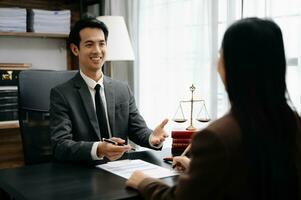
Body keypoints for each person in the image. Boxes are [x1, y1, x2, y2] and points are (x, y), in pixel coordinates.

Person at [126, 17, 301, 200]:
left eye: (221, 54)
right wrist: (199, 169)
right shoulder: (293, 122)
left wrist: (144, 181)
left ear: (233, 65)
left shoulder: (215, 137)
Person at [50, 17, 168, 162]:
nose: (97, 50)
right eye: (89, 44)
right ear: (75, 49)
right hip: (84, 172)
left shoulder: (122, 89)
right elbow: (60, 145)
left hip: (121, 169)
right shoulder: (62, 94)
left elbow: (137, 129)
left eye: (102, 44)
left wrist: (152, 138)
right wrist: (99, 149)